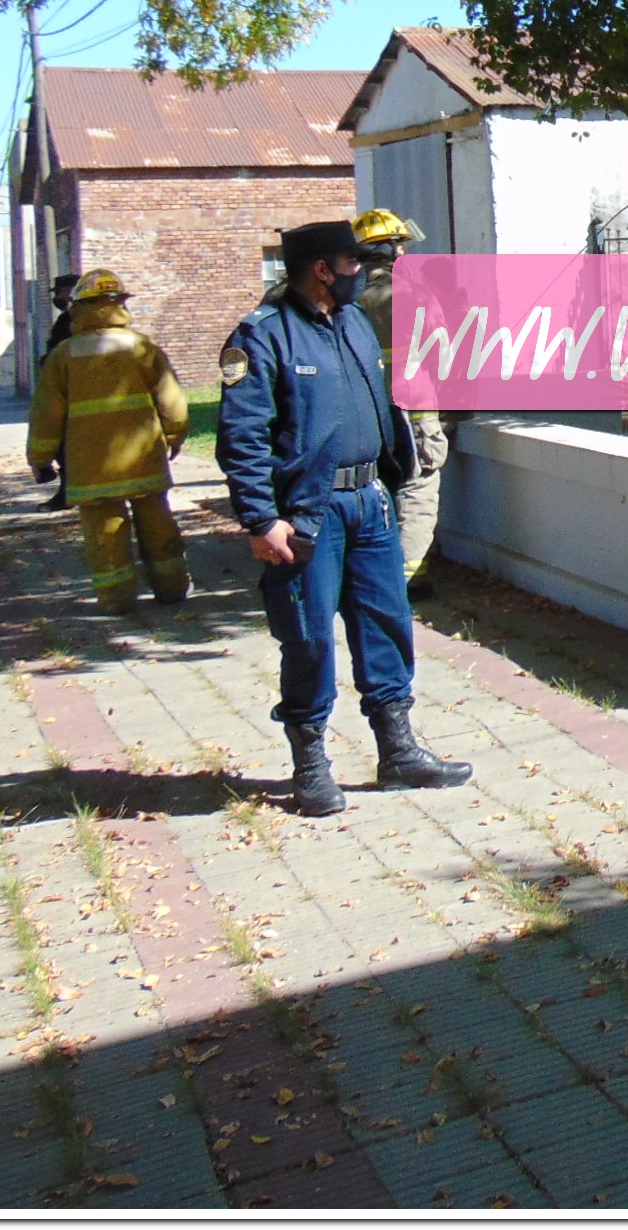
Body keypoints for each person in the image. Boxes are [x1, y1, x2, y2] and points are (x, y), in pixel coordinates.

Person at [217, 219, 470, 817]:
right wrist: (260, 518)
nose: (362, 271)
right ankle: (311, 766)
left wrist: (395, 470)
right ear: (322, 270)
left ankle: (397, 750)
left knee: (387, 623)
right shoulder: (263, 335)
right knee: (307, 637)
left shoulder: (354, 321)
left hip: (369, 502)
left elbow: (380, 403)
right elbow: (242, 435)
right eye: (352, 262)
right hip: (308, 513)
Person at [28, 269, 193, 615]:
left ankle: (116, 600)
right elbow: (171, 398)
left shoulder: (64, 355)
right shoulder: (142, 347)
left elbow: (46, 412)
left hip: (92, 467)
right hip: (143, 460)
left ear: (79, 307)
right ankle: (172, 588)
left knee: (105, 535)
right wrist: (175, 434)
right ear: (120, 304)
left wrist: (40, 456)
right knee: (158, 524)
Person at [346, 209, 457, 594]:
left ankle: (385, 575)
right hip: (413, 414)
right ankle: (401, 583)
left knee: (377, 490)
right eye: (401, 246)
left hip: (364, 415)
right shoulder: (410, 294)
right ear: (390, 250)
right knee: (416, 490)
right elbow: (443, 357)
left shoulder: (345, 301)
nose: (405, 253)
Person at [39, 274, 80, 510]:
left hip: (71, 392)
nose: (57, 298)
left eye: (59, 292)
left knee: (64, 444)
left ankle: (68, 493)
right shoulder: (67, 319)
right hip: (68, 390)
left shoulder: (73, 321)